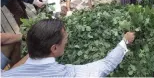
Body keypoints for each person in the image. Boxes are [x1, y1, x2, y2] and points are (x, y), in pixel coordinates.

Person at [2, 19, 135, 77]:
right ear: (54, 48)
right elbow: (106, 64)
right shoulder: (69, 74)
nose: (67, 41)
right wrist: (124, 41)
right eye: (65, 38)